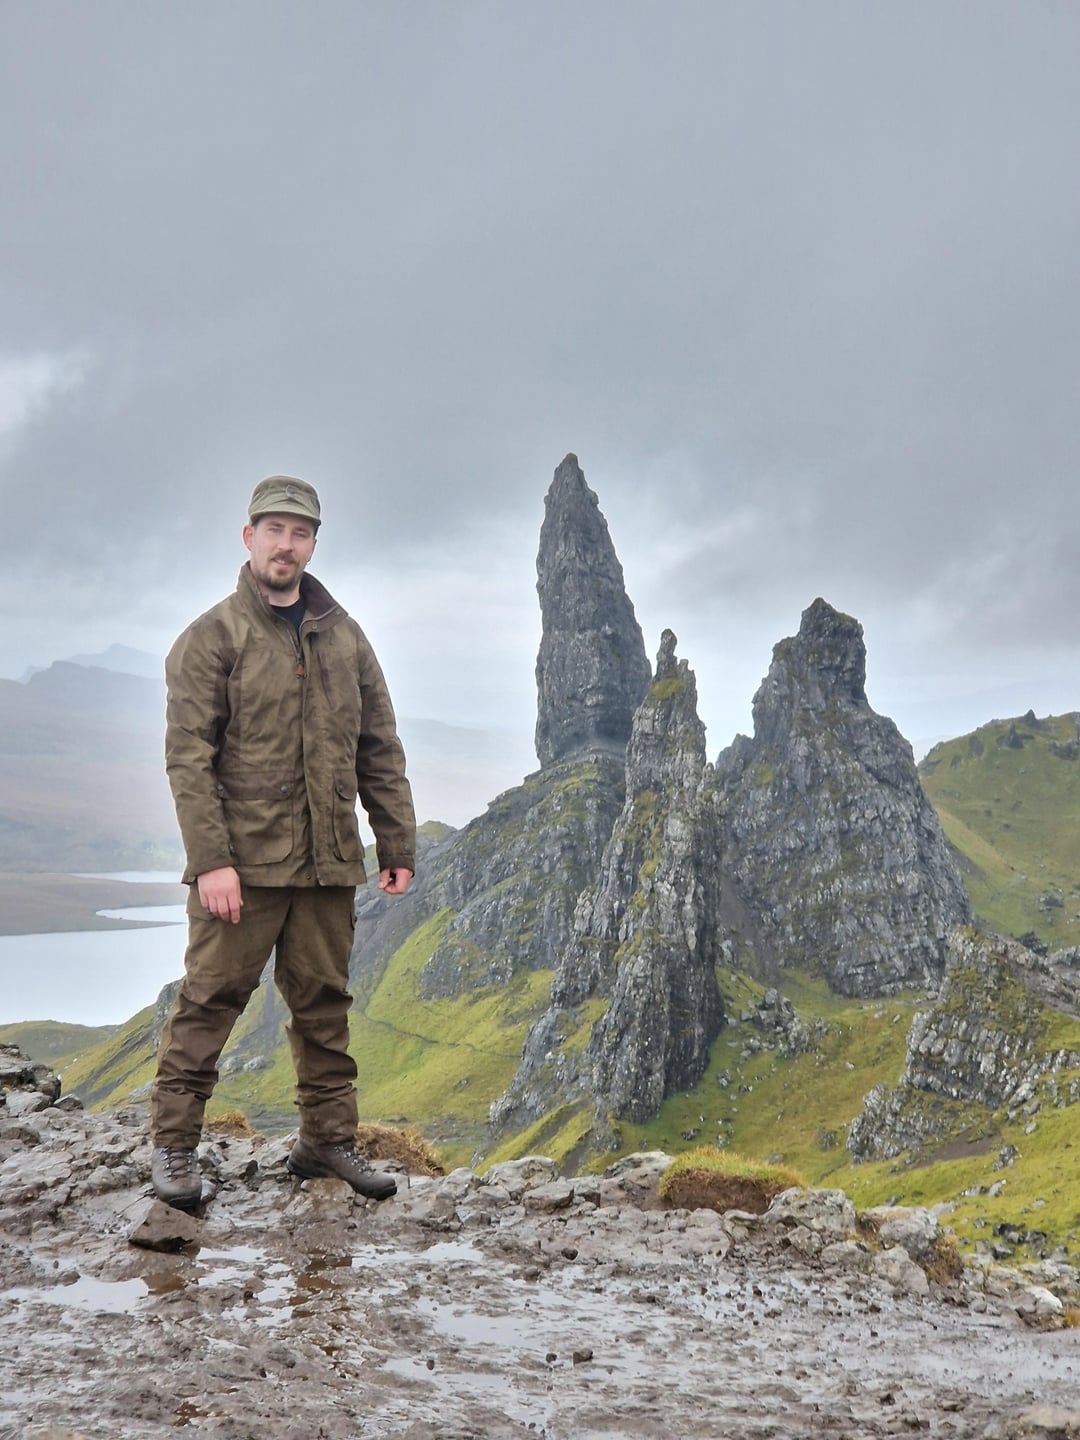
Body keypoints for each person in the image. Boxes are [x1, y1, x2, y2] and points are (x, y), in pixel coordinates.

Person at [150, 475, 416, 1209]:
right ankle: (174, 1149)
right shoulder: (212, 638)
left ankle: (325, 1141)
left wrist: (395, 843)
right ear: (249, 537)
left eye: (300, 533)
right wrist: (212, 861)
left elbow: (379, 747)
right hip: (242, 869)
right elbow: (189, 761)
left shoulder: (347, 638)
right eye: (274, 530)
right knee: (209, 1002)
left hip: (328, 864)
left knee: (325, 1006)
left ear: (313, 545)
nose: (286, 545)